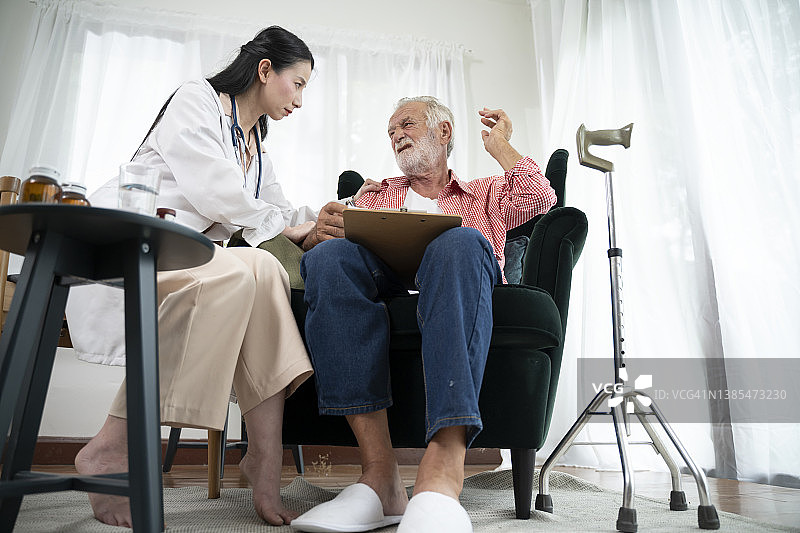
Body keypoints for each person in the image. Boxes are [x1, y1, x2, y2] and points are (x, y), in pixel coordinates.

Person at [66, 26, 317, 528]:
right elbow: (213, 190)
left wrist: (323, 220)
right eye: (300, 82)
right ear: (266, 71)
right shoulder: (196, 101)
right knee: (235, 277)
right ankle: (112, 448)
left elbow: (275, 207)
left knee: (265, 269)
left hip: (188, 258)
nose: (301, 99)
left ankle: (262, 460)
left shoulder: (255, 142)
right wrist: (286, 225)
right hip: (132, 250)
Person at [292, 96, 557, 533]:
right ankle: (380, 479)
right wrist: (327, 228)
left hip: (458, 274)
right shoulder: (377, 195)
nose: (396, 135)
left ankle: (443, 473)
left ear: (444, 132)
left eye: (407, 124)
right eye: (391, 130)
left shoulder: (485, 192)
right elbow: (333, 244)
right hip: (389, 280)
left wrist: (501, 146)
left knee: (458, 242)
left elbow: (539, 199)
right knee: (329, 261)